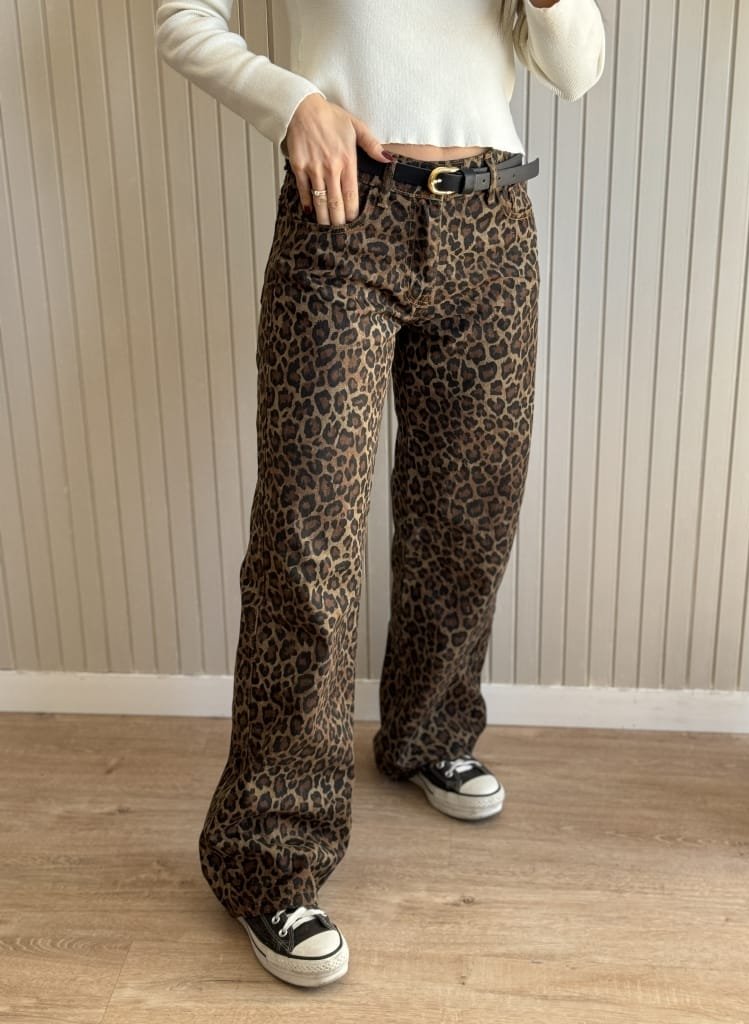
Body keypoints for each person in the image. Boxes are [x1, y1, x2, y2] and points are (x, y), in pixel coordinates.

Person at [155, 0, 605, 989]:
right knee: (307, 540)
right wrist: (292, 103)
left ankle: (428, 732)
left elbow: (578, 71)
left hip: (493, 222)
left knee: (468, 515)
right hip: (343, 213)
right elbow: (184, 19)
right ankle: (269, 855)